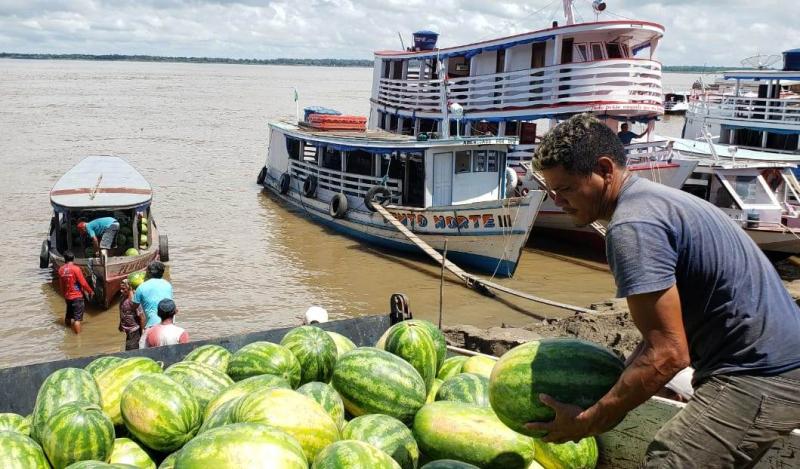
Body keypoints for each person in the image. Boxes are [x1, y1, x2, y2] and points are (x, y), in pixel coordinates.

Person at [527, 113, 800, 468]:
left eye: (564, 188)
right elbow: (661, 332)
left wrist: (588, 421)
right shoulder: (658, 201)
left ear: (606, 169)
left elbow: (669, 353)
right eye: (549, 190)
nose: (556, 200)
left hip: (762, 374)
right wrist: (612, 395)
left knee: (671, 459)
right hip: (773, 362)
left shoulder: (633, 226)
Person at [57, 250, 94, 334]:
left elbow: (61, 285)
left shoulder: (61, 270)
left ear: (64, 259)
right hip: (77, 297)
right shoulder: (76, 269)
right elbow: (83, 283)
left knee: (68, 315)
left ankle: (67, 331)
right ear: (73, 259)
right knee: (77, 320)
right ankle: (78, 338)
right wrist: (90, 291)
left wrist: (64, 295)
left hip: (67, 297)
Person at [132, 261, 173, 329]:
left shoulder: (141, 287)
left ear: (148, 272)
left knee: (142, 340)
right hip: (169, 324)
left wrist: (131, 292)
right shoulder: (168, 284)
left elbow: (133, 306)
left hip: (153, 325)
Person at [118, 279, 145, 350]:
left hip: (134, 331)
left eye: (123, 289)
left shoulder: (134, 301)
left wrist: (142, 333)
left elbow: (142, 317)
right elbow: (123, 311)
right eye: (120, 288)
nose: (121, 291)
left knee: (130, 351)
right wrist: (120, 324)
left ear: (129, 287)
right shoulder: (122, 297)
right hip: (128, 331)